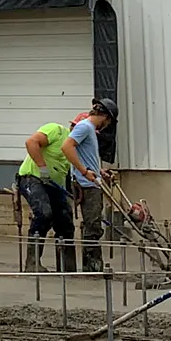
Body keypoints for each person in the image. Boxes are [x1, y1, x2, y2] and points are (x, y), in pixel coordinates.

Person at [62, 97, 118, 273]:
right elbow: (66, 147)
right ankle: (91, 266)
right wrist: (85, 171)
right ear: (106, 117)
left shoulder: (90, 130)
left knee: (93, 224)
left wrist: (98, 170)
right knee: (92, 225)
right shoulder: (84, 127)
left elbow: (84, 155)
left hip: (92, 180)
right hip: (87, 184)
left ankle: (93, 265)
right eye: (108, 122)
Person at [17, 118, 75, 272]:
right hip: (32, 178)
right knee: (43, 213)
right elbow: (31, 142)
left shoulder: (77, 147)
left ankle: (67, 267)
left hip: (55, 185)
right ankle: (32, 263)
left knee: (65, 221)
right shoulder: (56, 130)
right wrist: (42, 167)